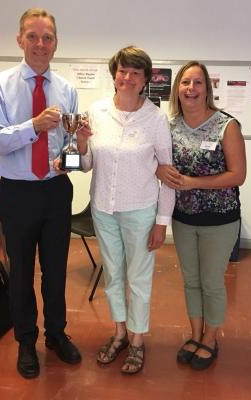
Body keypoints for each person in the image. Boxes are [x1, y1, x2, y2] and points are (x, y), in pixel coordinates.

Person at [0, 8, 83, 379]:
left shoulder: (67, 89)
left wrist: (71, 157)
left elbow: (71, 148)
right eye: (33, 36)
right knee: (22, 272)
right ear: (20, 39)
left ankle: (56, 334)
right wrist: (33, 126)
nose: (40, 44)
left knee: (56, 272)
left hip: (56, 192)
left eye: (47, 38)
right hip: (17, 193)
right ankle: (26, 340)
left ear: (56, 44)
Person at [76, 46, 175, 374]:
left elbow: (168, 174)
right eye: (122, 71)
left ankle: (136, 341)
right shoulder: (98, 110)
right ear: (114, 73)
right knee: (114, 275)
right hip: (103, 209)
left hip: (140, 211)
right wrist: (79, 142)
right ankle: (118, 333)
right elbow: (88, 162)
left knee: (138, 277)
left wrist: (162, 222)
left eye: (135, 72)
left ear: (146, 78)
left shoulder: (156, 119)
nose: (127, 77)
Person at [157, 61, 246, 370]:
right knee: (191, 280)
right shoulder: (170, 125)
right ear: (177, 89)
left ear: (207, 89)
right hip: (183, 217)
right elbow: (157, 161)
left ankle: (211, 337)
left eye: (197, 83)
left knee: (211, 282)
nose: (190, 89)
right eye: (185, 83)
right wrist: (160, 170)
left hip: (219, 219)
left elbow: (238, 175)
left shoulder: (226, 125)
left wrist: (194, 183)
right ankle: (194, 334)